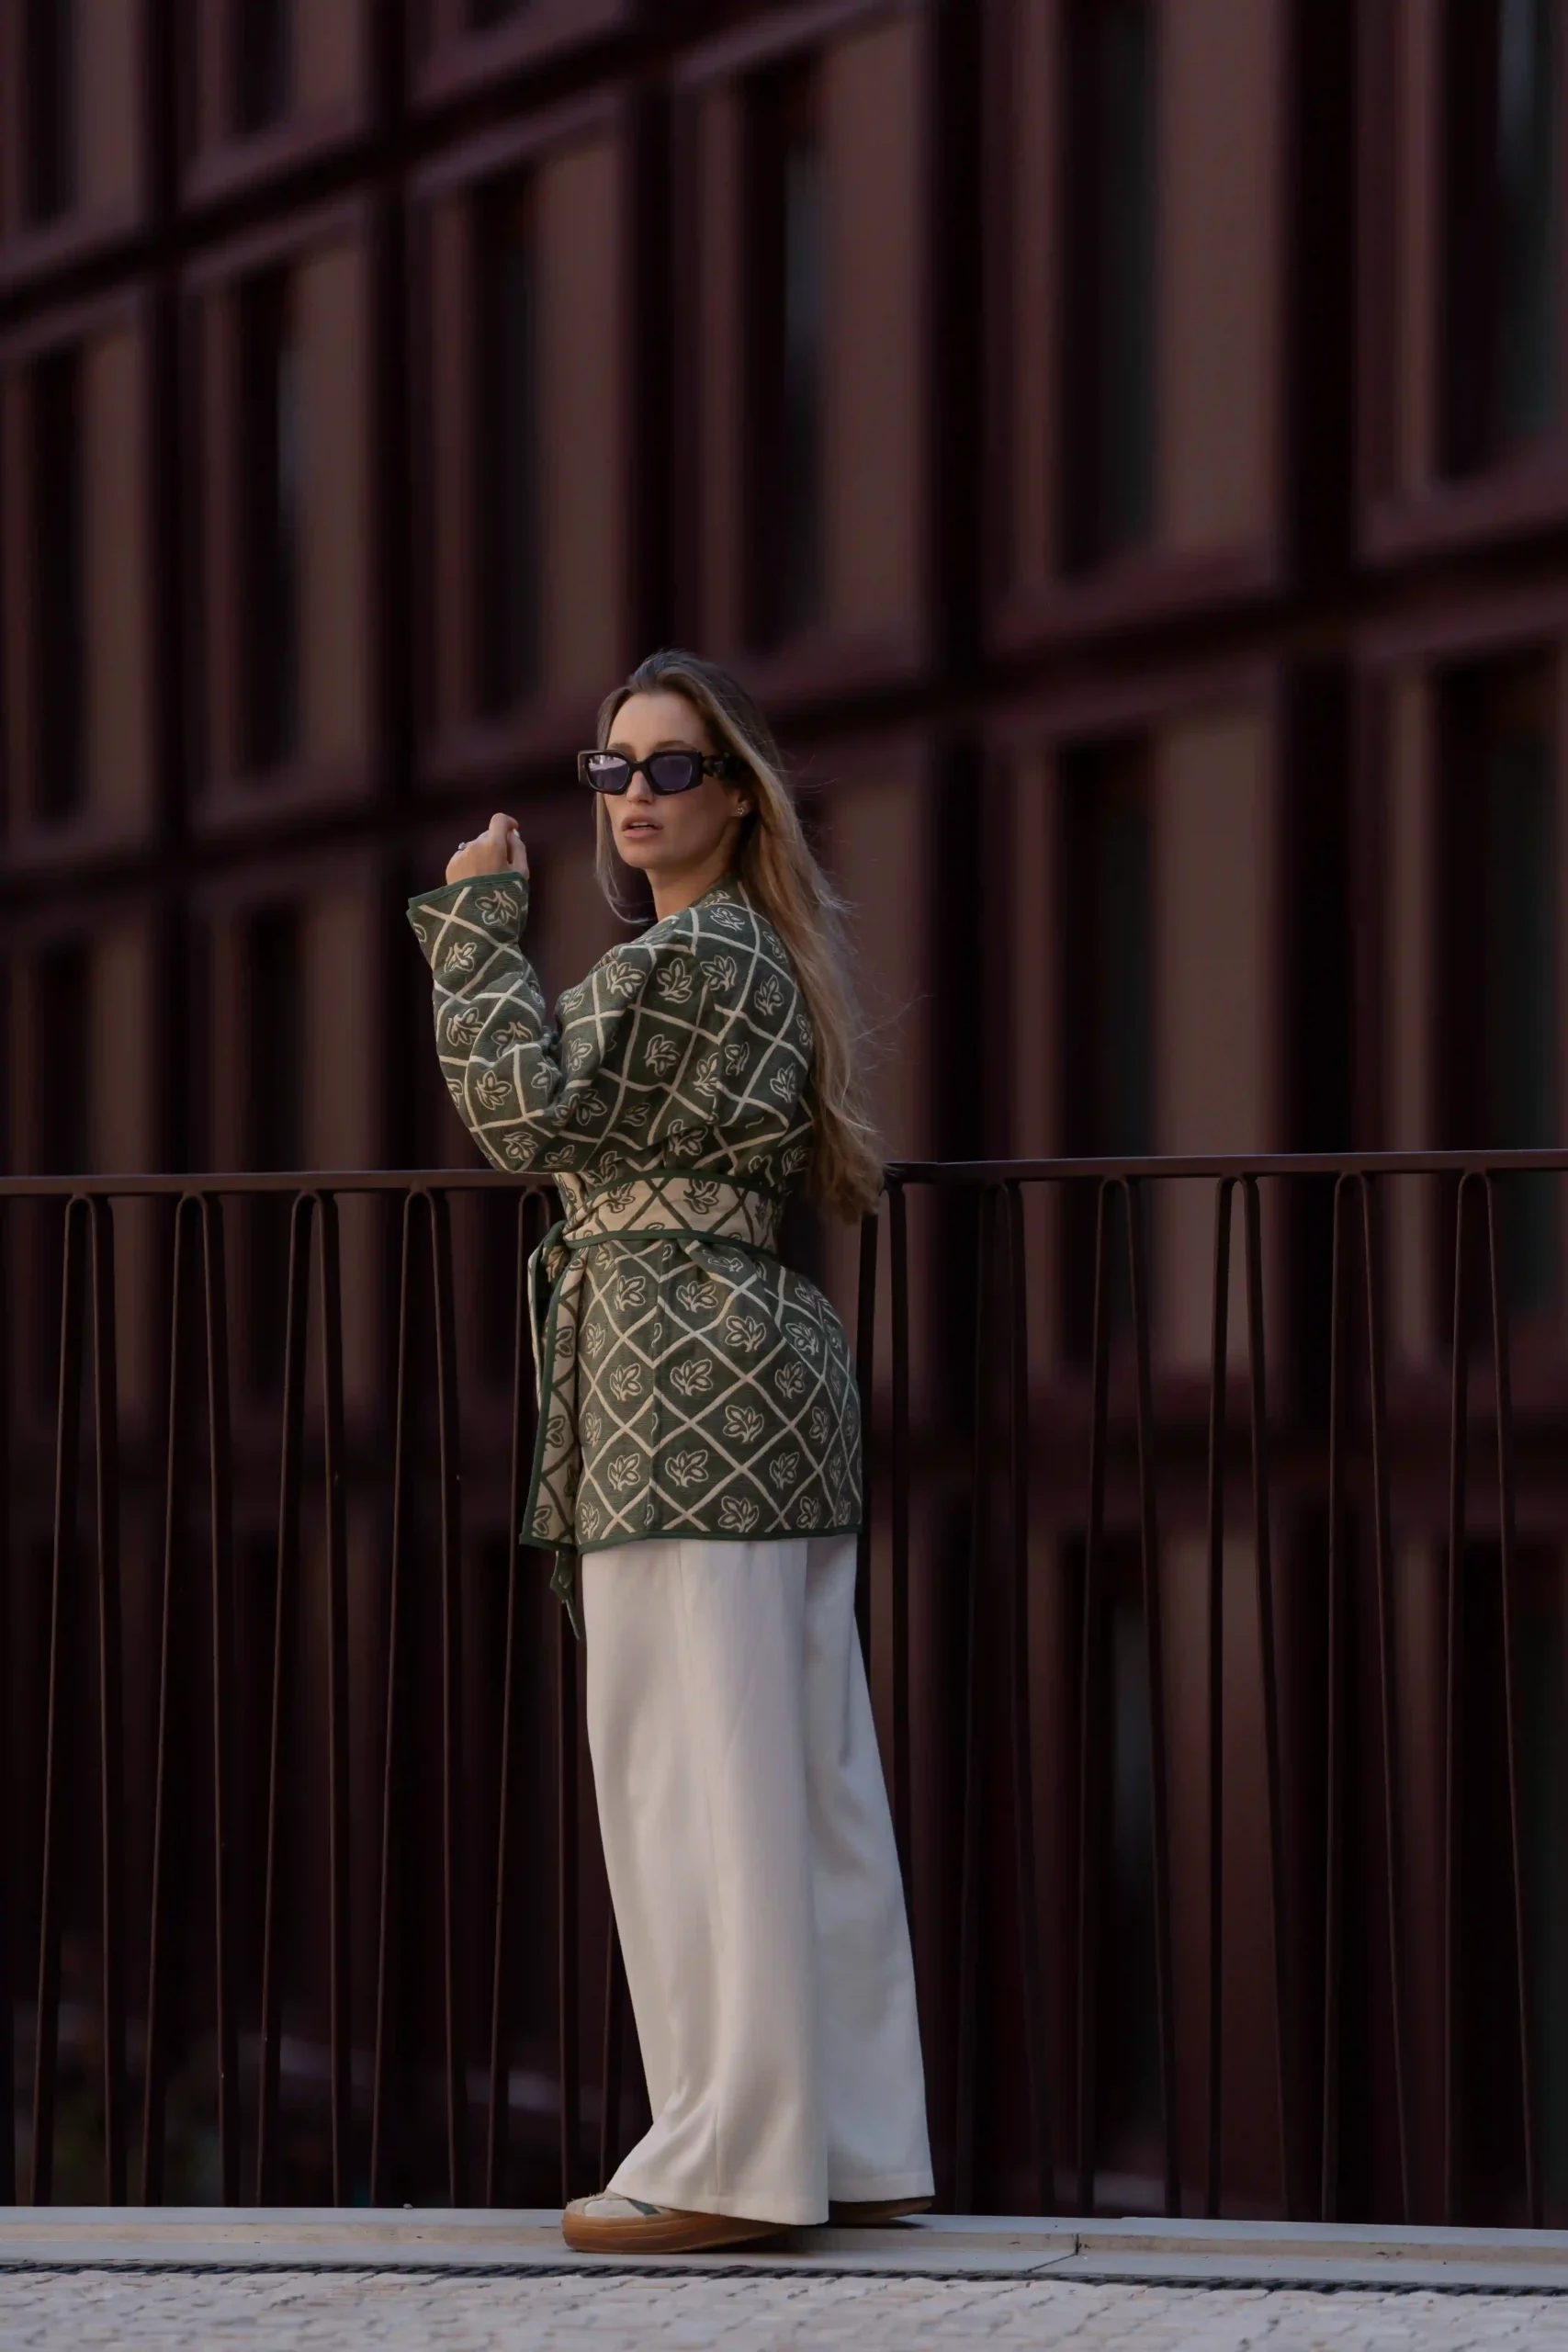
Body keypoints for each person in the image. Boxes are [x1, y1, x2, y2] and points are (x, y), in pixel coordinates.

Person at [406, 650, 932, 2255]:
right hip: (742, 1385)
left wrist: (474, 924)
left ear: (737, 795)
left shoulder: (696, 957)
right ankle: (842, 2139)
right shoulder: (746, 954)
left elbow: (526, 1119)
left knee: (695, 1782)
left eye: (671, 767)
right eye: (612, 767)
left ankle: (727, 2160)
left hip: (676, 1395)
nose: (633, 795)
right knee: (794, 1778)